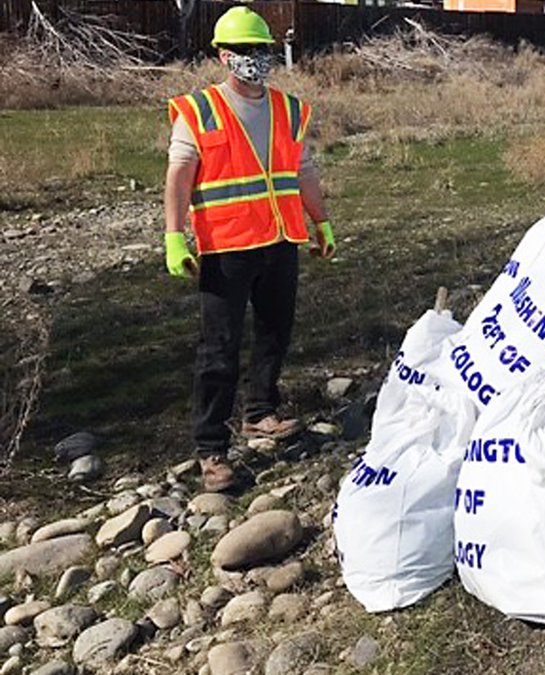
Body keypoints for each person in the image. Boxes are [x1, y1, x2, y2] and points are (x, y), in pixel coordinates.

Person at [163, 6, 335, 492]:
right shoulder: (199, 111)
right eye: (244, 50)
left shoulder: (289, 109)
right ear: (223, 55)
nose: (254, 58)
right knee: (219, 349)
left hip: (281, 240)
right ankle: (211, 449)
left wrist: (321, 222)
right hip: (226, 247)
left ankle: (260, 413)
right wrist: (174, 236)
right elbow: (179, 176)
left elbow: (302, 171)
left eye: (260, 49)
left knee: (275, 333)